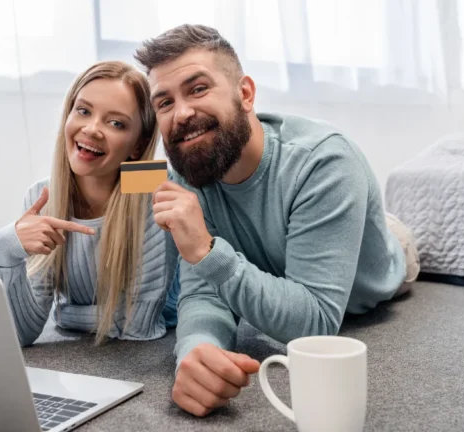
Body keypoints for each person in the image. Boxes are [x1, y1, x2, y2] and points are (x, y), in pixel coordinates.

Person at [134, 25, 421, 416]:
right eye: (164, 103)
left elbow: (316, 321)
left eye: (198, 89)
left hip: (379, 265)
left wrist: (206, 250)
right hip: (276, 261)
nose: (182, 113)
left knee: (399, 243)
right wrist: (199, 348)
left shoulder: (325, 163)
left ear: (245, 93)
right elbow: (203, 292)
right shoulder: (190, 167)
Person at [0, 61, 180, 347]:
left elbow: (140, 324)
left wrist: (65, 314)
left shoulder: (153, 185)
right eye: (84, 111)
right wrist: (6, 246)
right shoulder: (43, 195)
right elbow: (22, 333)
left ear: (138, 144)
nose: (92, 129)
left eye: (116, 123)